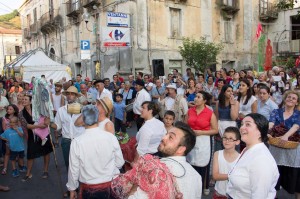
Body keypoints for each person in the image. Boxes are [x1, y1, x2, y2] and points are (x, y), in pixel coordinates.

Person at [115, 121, 202, 199]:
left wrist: (136, 182)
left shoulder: (154, 170)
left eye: (170, 137)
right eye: (166, 134)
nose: (164, 137)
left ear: (181, 149)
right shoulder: (197, 177)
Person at [66, 105, 124, 199]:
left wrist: (72, 189)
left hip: (89, 189)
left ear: (83, 120)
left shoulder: (77, 142)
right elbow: (120, 162)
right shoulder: (110, 137)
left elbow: (73, 170)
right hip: (112, 186)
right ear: (97, 118)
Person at [226, 113, 279, 199]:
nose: (242, 127)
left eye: (248, 124)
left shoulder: (261, 160)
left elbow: (260, 195)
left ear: (260, 131)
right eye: (242, 124)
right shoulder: (248, 149)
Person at [268, 91, 300, 198]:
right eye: (289, 97)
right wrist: (269, 132)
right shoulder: (276, 111)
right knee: (274, 173)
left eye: (294, 98)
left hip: (292, 149)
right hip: (276, 147)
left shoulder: (298, 114)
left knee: (294, 175)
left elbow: (296, 126)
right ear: (285, 99)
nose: (291, 99)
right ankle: (273, 196)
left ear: (297, 102)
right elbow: (271, 123)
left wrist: (286, 136)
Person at [186, 91, 218, 196]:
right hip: (191, 140)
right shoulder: (190, 111)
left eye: (198, 97)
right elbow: (186, 125)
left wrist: (202, 132)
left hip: (204, 141)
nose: (195, 98)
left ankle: (202, 187)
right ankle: (191, 188)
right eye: (195, 96)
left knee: (203, 165)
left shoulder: (209, 113)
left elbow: (215, 130)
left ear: (204, 101)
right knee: (191, 164)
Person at [19, 95, 53, 181]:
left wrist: (47, 120)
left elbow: (47, 114)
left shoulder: (38, 108)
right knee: (30, 154)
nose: (23, 100)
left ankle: (45, 171)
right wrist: (39, 126)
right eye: (22, 99)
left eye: (25, 99)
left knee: (46, 151)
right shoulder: (21, 113)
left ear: (30, 101)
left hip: (44, 133)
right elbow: (26, 125)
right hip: (32, 135)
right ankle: (28, 173)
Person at [212, 127, 240, 198]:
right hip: (218, 193)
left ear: (237, 142)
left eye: (231, 139)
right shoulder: (217, 154)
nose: (227, 141)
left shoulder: (240, 158)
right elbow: (215, 176)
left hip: (233, 196)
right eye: (225, 138)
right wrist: (231, 176)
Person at [215, 85, 239, 151]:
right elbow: (216, 117)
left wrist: (232, 104)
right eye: (228, 91)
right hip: (220, 127)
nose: (231, 93)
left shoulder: (236, 103)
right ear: (224, 92)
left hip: (231, 126)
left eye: (232, 91)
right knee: (220, 149)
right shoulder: (218, 102)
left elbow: (234, 117)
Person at [1, 104, 20, 175]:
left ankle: (15, 168)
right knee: (7, 153)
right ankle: (5, 168)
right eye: (8, 109)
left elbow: (19, 127)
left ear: (14, 110)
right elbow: (4, 129)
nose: (8, 110)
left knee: (15, 153)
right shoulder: (4, 118)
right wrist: (7, 138)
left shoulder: (17, 118)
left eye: (10, 109)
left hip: (15, 138)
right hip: (8, 138)